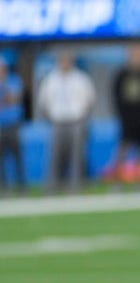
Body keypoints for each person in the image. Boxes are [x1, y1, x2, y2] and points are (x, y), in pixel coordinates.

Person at [36, 50, 95, 194]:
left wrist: (82, 116)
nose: (64, 63)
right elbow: (42, 102)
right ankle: (52, 187)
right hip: (57, 121)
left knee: (77, 155)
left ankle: (76, 186)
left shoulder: (81, 79)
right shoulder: (50, 79)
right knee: (55, 155)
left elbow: (90, 99)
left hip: (76, 121)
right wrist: (50, 117)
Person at [110, 44, 140, 186]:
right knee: (122, 148)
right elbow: (116, 96)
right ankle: (117, 180)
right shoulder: (122, 74)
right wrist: (121, 114)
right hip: (126, 118)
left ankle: (139, 179)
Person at [0, 58, 26, 194]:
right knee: (1, 160)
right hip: (0, 126)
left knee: (17, 157)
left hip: (13, 124)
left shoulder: (14, 80)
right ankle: (4, 188)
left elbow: (14, 98)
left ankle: (22, 186)